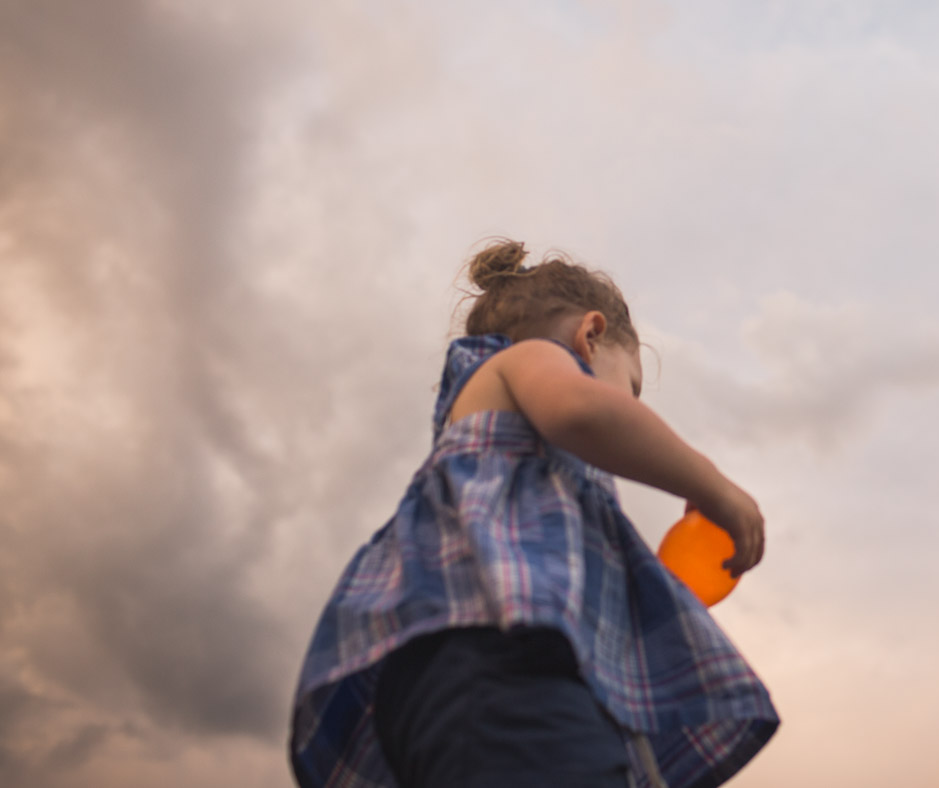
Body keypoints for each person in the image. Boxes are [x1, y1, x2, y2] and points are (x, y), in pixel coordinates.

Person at [288, 240, 779, 788]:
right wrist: (712, 486)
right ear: (590, 335)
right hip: (495, 658)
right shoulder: (530, 359)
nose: (632, 412)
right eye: (632, 390)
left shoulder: (530, 473)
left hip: (479, 674)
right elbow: (583, 411)